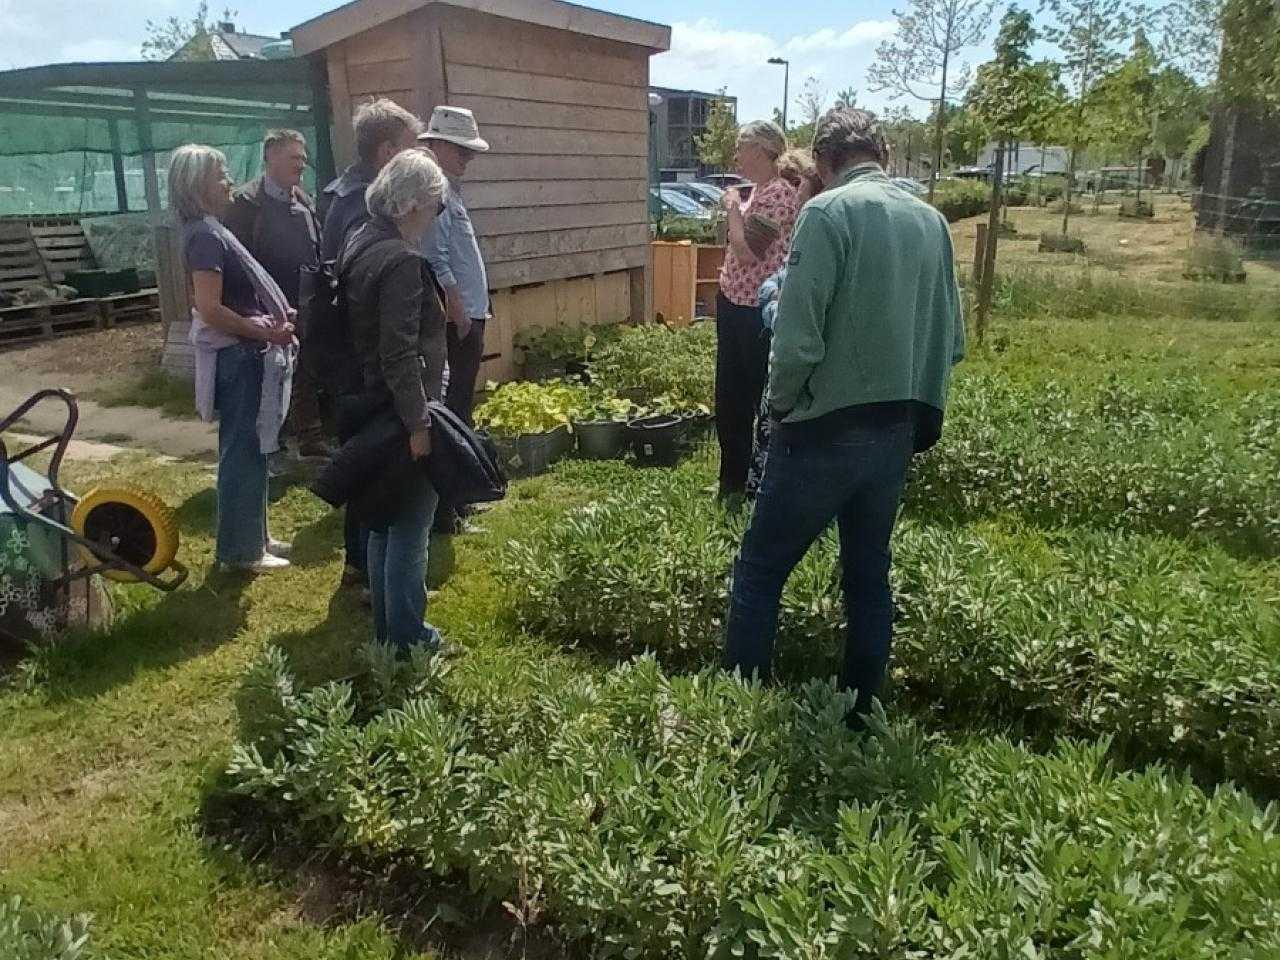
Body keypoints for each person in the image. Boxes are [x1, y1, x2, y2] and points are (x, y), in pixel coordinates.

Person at [722, 108, 966, 727]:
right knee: (866, 577)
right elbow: (953, 339)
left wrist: (778, 409)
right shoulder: (932, 221)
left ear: (824, 163)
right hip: (896, 429)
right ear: (880, 153)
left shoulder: (826, 214)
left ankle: (736, 713)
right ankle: (861, 716)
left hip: (821, 430)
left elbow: (798, 339)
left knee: (758, 572)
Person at [337, 148, 450, 652]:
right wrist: (419, 423)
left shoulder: (360, 240)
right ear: (410, 206)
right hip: (398, 409)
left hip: (366, 401)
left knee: (381, 520)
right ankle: (407, 637)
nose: (435, 218)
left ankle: (388, 630)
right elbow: (400, 352)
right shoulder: (403, 260)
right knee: (410, 524)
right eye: (435, 207)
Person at [170, 144, 297, 574]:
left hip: (247, 355)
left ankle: (254, 535)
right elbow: (211, 309)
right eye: (220, 174)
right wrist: (267, 330)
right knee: (243, 451)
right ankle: (241, 551)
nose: (228, 182)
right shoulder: (205, 236)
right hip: (239, 359)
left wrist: (270, 318)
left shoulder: (210, 230)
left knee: (256, 447)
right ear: (198, 185)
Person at [320, 98, 424, 593]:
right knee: (373, 477)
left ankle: (368, 574)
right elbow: (368, 304)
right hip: (369, 373)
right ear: (387, 152)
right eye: (410, 148)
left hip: (359, 368)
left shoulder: (352, 200)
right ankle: (363, 573)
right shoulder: (361, 205)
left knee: (370, 473)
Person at [224, 129, 327, 459]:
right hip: (264, 308)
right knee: (271, 375)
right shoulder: (246, 204)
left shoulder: (305, 201)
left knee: (306, 369)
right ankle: (272, 445)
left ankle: (310, 437)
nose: (303, 163)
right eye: (295, 157)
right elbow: (237, 259)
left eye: (304, 157)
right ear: (270, 158)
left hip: (304, 302)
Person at [715, 120, 799, 503]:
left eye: (741, 148)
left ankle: (751, 485)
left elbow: (748, 252)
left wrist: (733, 208)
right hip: (733, 304)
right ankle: (730, 481)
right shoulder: (760, 192)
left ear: (762, 151)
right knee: (729, 399)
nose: (736, 156)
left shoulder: (778, 196)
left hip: (754, 314)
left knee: (748, 399)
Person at [419, 106, 491, 534]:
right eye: (460, 149)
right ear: (438, 146)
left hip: (468, 314)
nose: (467, 158)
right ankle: (446, 512)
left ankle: (457, 501)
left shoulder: (451, 188)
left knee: (461, 410)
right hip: (455, 320)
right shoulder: (437, 191)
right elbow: (436, 256)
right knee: (452, 414)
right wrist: (459, 308)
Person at [745, 149, 826, 499]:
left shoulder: (815, 228)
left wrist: (772, 303)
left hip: (800, 377)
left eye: (800, 192)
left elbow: (749, 255)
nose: (795, 201)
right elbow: (777, 279)